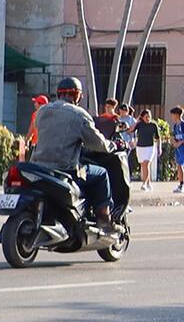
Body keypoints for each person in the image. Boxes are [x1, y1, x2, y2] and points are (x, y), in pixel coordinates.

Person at [32, 77, 123, 227]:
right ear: (78, 96)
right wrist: (113, 145)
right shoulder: (79, 115)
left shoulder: (42, 111)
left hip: (39, 167)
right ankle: (103, 218)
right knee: (101, 174)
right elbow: (97, 143)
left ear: (58, 94)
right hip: (65, 168)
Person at [135, 109, 161, 190]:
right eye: (146, 117)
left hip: (150, 147)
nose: (148, 118)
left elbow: (158, 137)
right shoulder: (139, 124)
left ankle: (144, 183)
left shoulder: (153, 125)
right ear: (142, 117)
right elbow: (130, 130)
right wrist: (137, 121)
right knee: (144, 166)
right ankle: (149, 183)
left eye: (149, 116)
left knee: (146, 164)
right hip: (140, 147)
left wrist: (159, 147)